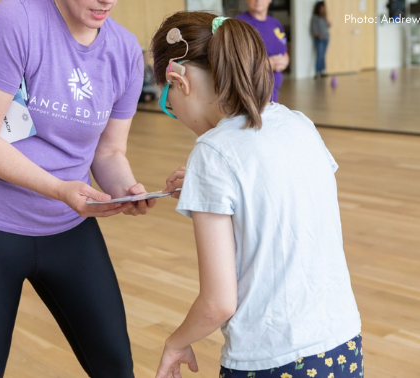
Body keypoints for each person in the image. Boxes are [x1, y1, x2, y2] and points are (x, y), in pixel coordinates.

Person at [0, 0, 156, 377]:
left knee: (116, 366)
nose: (107, 1)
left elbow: (110, 150)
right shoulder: (14, 20)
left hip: (67, 225)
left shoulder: (125, 50)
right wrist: (58, 188)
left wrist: (124, 188)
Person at [150, 12, 362, 378]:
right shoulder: (299, 123)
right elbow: (279, 191)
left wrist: (176, 342)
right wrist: (206, 186)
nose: (175, 114)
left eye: (168, 104)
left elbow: (218, 303)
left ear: (178, 80)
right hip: (343, 344)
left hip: (272, 360)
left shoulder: (212, 152)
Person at [236, 0, 289, 102]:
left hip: (273, 95)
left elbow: (284, 50)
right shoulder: (239, 24)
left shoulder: (275, 24)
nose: (258, 0)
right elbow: (235, 59)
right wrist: (267, 63)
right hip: (250, 96)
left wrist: (285, 60)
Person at [311, 1, 330, 79]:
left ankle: (322, 71)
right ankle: (317, 72)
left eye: (323, 8)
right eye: (321, 8)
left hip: (326, 38)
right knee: (319, 55)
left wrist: (327, 21)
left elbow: (327, 26)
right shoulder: (315, 17)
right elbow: (313, 28)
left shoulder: (323, 17)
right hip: (320, 39)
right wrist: (318, 34)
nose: (323, 9)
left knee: (323, 55)